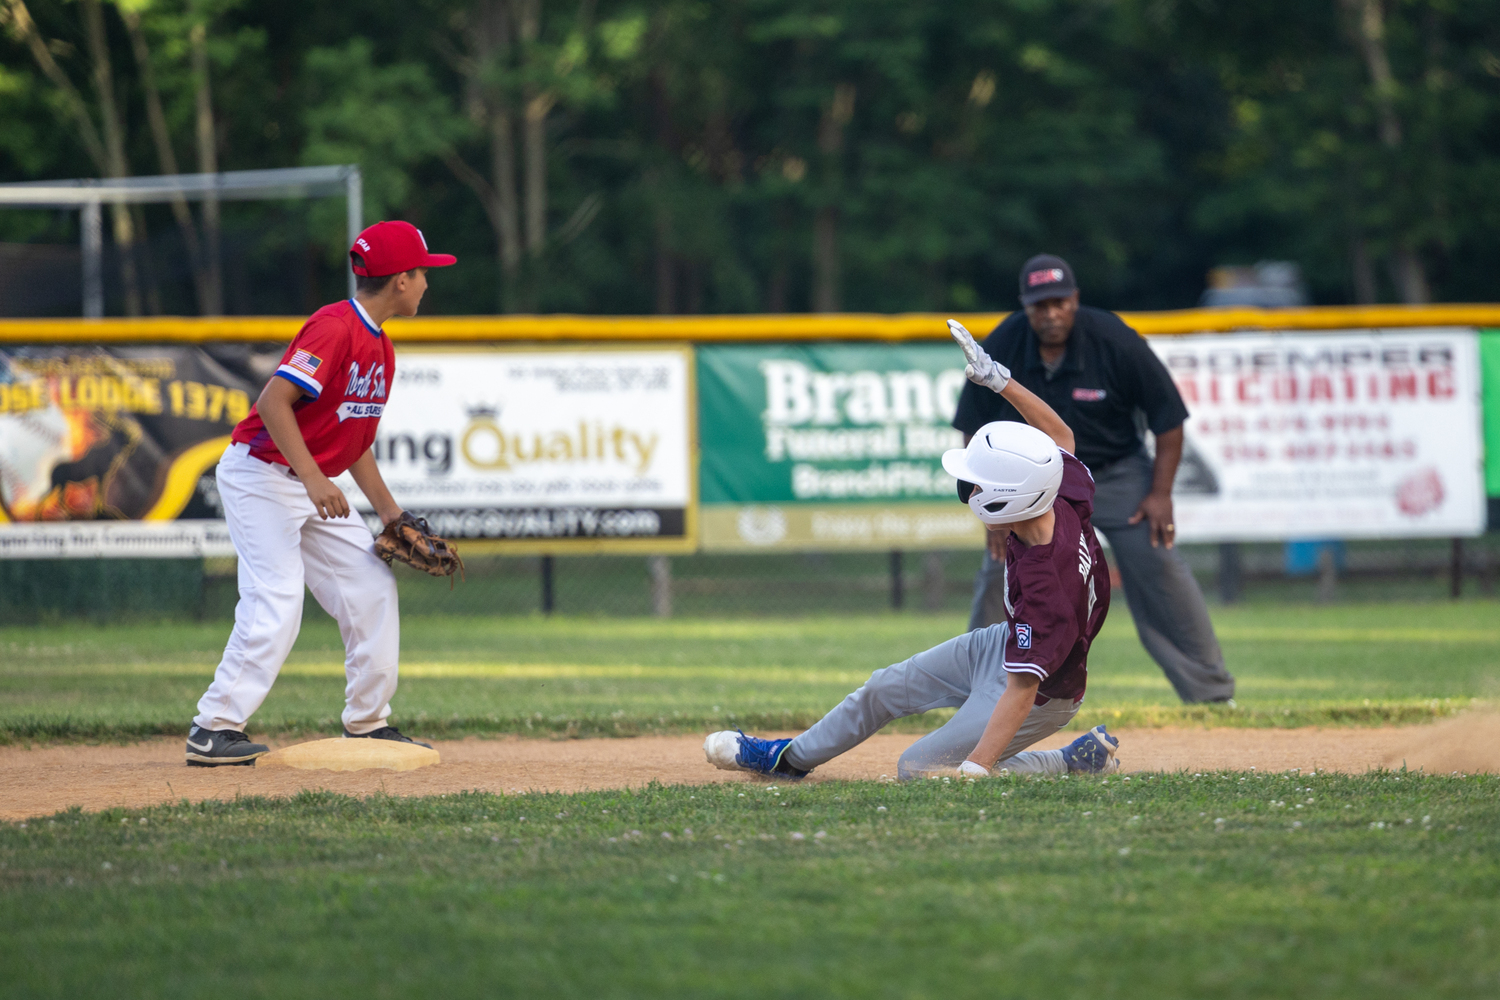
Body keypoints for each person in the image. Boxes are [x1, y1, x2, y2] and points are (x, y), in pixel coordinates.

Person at [705, 321, 1118, 780]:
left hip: (1042, 693)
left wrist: (977, 770)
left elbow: (1020, 691)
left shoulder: (1046, 588)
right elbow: (1060, 437)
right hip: (1007, 646)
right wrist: (999, 380)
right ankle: (788, 760)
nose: (969, 487)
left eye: (976, 484)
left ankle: (1065, 763)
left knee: (919, 768)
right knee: (885, 687)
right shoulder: (1062, 491)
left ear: (1009, 498)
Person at [185, 220, 456, 766]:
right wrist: (312, 478)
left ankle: (367, 723)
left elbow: (353, 439)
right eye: (423, 272)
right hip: (262, 475)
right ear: (401, 280)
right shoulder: (333, 328)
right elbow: (273, 402)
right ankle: (213, 728)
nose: (428, 281)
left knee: (371, 587)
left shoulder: (381, 348)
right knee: (277, 599)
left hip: (312, 487)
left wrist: (390, 513)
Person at [952, 254, 1235, 704]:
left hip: (1116, 473)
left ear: (1076, 300)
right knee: (1000, 573)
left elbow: (1169, 418)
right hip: (1033, 482)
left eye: (1059, 302)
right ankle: (974, 692)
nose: (1050, 313)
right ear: (1025, 306)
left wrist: (1160, 494)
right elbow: (972, 427)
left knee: (1158, 564)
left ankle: (1212, 695)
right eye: (1039, 305)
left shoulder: (1114, 340)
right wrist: (992, 508)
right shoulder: (1005, 342)